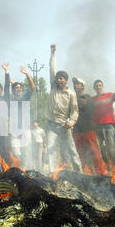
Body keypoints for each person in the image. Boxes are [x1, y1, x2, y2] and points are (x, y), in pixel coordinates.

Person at [46, 44, 81, 173]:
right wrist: (53, 54)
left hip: (64, 125)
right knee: (51, 148)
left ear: (66, 80)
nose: (59, 80)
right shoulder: (53, 87)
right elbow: (52, 69)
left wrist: (71, 122)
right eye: (57, 78)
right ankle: (53, 173)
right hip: (51, 125)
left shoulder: (71, 94)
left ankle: (79, 172)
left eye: (61, 78)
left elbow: (75, 111)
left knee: (71, 149)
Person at [72, 77, 106, 174]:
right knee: (78, 153)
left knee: (94, 151)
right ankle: (82, 172)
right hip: (76, 130)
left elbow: (92, 111)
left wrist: (86, 104)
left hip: (88, 129)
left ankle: (101, 172)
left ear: (83, 86)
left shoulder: (88, 98)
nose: (76, 86)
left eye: (78, 84)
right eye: (75, 84)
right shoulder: (72, 97)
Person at [92, 73, 115, 172]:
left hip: (108, 126)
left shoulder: (109, 95)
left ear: (102, 87)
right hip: (97, 127)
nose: (98, 87)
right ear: (94, 88)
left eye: (100, 85)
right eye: (96, 86)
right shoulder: (92, 100)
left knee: (111, 149)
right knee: (101, 150)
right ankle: (107, 167)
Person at [10, 66, 35, 170]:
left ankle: (24, 171)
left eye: (20, 88)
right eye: (17, 88)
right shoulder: (10, 101)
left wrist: (27, 74)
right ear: (13, 91)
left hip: (25, 129)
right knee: (16, 152)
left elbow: (32, 87)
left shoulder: (25, 98)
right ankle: (19, 167)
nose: (19, 89)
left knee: (26, 152)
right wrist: (12, 83)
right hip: (14, 130)